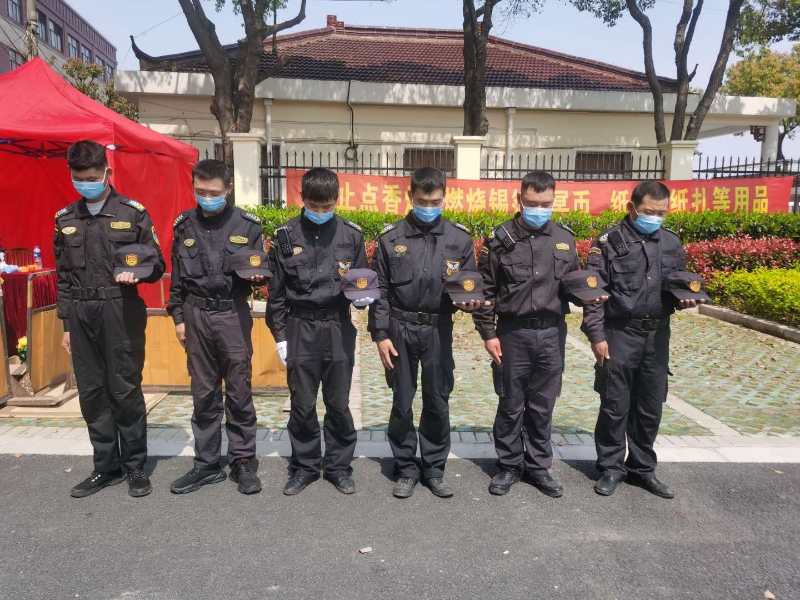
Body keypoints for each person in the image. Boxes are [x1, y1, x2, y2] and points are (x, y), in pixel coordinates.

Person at [473, 171, 604, 498]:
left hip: (551, 334)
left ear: (553, 201)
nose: (539, 209)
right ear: (519, 199)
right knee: (511, 402)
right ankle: (508, 465)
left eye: (545, 204)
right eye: (532, 203)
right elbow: (486, 290)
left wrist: (589, 297)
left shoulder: (564, 239)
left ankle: (538, 466)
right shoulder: (499, 240)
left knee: (543, 405)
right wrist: (487, 333)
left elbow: (573, 286)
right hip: (512, 333)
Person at [54, 140, 165, 498]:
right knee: (92, 392)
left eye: (91, 177)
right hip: (81, 312)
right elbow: (63, 277)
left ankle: (135, 466)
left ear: (107, 173)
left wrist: (140, 274)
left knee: (124, 388)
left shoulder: (132, 213)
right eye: (79, 178)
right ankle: (106, 466)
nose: (85, 183)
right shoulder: (65, 219)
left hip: (120, 309)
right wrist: (67, 324)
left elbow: (157, 264)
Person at [581, 180, 703, 499]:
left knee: (650, 405)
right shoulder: (609, 242)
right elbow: (594, 293)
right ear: (631, 208)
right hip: (620, 332)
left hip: (656, 335)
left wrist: (685, 299)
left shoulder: (671, 242)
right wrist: (596, 336)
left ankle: (642, 468)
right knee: (614, 404)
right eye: (649, 211)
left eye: (661, 213)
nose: (655, 217)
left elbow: (676, 286)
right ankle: (610, 467)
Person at [368, 167, 480, 499]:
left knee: (437, 399)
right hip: (399, 327)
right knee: (402, 400)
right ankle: (405, 467)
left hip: (437, 328)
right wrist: (380, 334)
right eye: (422, 201)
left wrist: (471, 304)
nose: (428, 207)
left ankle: (433, 468)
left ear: (444, 197)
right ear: (410, 197)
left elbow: (470, 287)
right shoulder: (391, 239)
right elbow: (380, 291)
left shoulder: (459, 239)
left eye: (434, 201)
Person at [266, 168, 370, 496]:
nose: (321, 212)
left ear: (337, 200)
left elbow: (362, 281)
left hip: (338, 325)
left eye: (327, 206)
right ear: (303, 199)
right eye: (314, 206)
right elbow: (276, 293)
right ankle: (305, 466)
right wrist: (280, 336)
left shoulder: (351, 236)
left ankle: (339, 467)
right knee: (302, 402)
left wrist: (363, 298)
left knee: (338, 402)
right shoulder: (286, 236)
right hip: (300, 326)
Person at [167, 159, 267, 495]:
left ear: (228, 189)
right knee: (203, 393)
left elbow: (259, 271)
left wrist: (258, 279)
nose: (206, 198)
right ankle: (207, 464)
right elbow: (177, 278)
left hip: (231, 314)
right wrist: (178, 318)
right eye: (200, 191)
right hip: (196, 314)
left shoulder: (248, 226)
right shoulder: (184, 224)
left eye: (213, 192)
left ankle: (243, 461)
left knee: (239, 390)